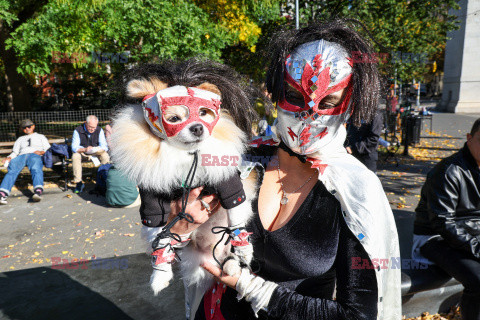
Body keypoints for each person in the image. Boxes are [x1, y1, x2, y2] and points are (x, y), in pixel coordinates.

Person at [160, 20, 401, 319]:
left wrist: (251, 287)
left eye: (327, 102)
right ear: (277, 93)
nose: (308, 114)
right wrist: (178, 232)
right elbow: (179, 259)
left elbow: (357, 314)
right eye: (296, 97)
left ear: (348, 105)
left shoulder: (355, 189)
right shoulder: (240, 161)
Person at [412, 118, 480, 320]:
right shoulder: (449, 170)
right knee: (478, 280)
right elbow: (443, 223)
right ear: (469, 138)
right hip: (435, 238)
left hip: (472, 235)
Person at [0, 119, 50, 204]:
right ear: (22, 129)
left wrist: (40, 152)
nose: (27, 128)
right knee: (12, 169)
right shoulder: (20, 139)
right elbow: (15, 152)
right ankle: (3, 194)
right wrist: (9, 157)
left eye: (29, 126)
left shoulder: (40, 136)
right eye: (24, 128)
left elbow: (48, 149)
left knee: (35, 168)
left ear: (33, 126)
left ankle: (38, 191)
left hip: (34, 155)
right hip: (21, 156)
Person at [71, 115, 109, 193]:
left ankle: (104, 179)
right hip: (83, 153)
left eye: (94, 127)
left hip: (95, 152)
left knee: (105, 155)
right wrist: (85, 149)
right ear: (85, 123)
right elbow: (74, 148)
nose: (92, 129)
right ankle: (79, 182)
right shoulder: (78, 130)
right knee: (75, 156)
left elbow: (104, 146)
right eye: (90, 127)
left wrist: (97, 149)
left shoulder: (99, 130)